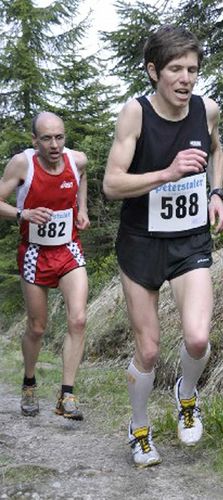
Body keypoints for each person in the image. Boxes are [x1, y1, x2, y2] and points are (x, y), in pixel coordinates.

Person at [103, 25, 223, 467]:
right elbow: (111, 184)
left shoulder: (206, 110)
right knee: (150, 349)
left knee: (197, 338)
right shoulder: (134, 114)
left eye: (192, 69)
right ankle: (139, 430)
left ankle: (187, 395)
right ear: (154, 71)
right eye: (175, 68)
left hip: (190, 239)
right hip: (140, 242)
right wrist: (165, 173)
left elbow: (216, 151)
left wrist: (215, 193)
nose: (185, 79)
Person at [0, 111, 90, 420]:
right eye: (47, 138)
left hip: (68, 250)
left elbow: (83, 177)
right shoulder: (21, 164)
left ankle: (67, 395)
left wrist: (82, 209)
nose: (55, 145)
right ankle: (28, 383)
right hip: (34, 253)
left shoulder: (76, 160)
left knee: (77, 319)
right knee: (37, 327)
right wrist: (22, 214)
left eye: (59, 137)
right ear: (34, 140)